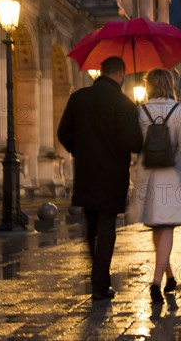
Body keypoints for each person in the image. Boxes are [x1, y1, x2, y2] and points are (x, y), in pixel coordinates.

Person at [57, 57, 143, 301]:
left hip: (85, 172)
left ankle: (97, 277)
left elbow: (63, 132)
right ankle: (100, 284)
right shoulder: (124, 104)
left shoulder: (79, 98)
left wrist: (80, 150)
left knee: (90, 225)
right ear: (121, 75)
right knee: (106, 228)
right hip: (113, 175)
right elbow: (134, 144)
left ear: (102, 72)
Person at [127, 69, 181, 304]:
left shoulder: (140, 111)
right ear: (170, 85)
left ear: (149, 86)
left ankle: (170, 277)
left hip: (147, 178)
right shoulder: (180, 112)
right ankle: (156, 283)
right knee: (166, 228)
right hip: (172, 178)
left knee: (157, 228)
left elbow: (134, 147)